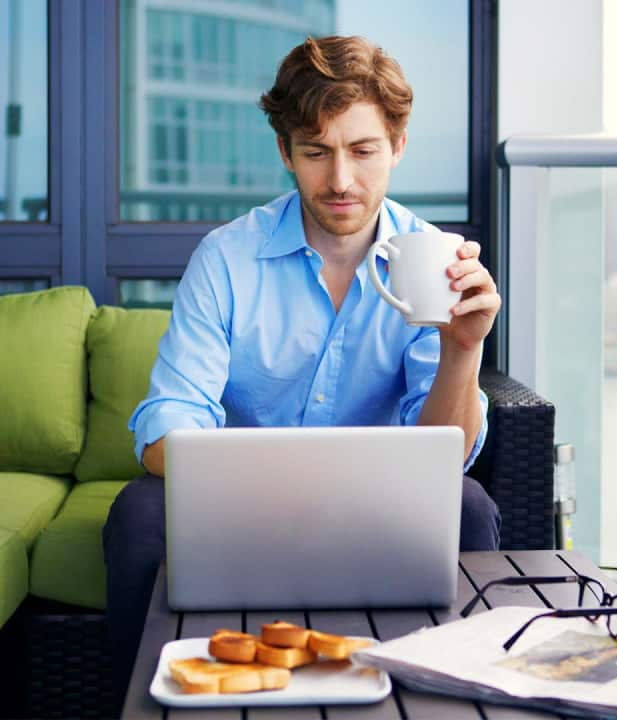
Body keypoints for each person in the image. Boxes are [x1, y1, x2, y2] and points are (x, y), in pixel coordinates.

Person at [101, 34, 502, 695]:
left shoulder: (432, 260)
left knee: (469, 506)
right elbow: (164, 429)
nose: (340, 180)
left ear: (398, 146)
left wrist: (464, 347)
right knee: (139, 514)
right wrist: (275, 480)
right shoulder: (227, 258)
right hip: (237, 505)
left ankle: (450, 696)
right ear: (286, 152)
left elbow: (446, 456)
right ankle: (137, 703)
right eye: (316, 152)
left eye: (363, 151)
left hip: (382, 508)